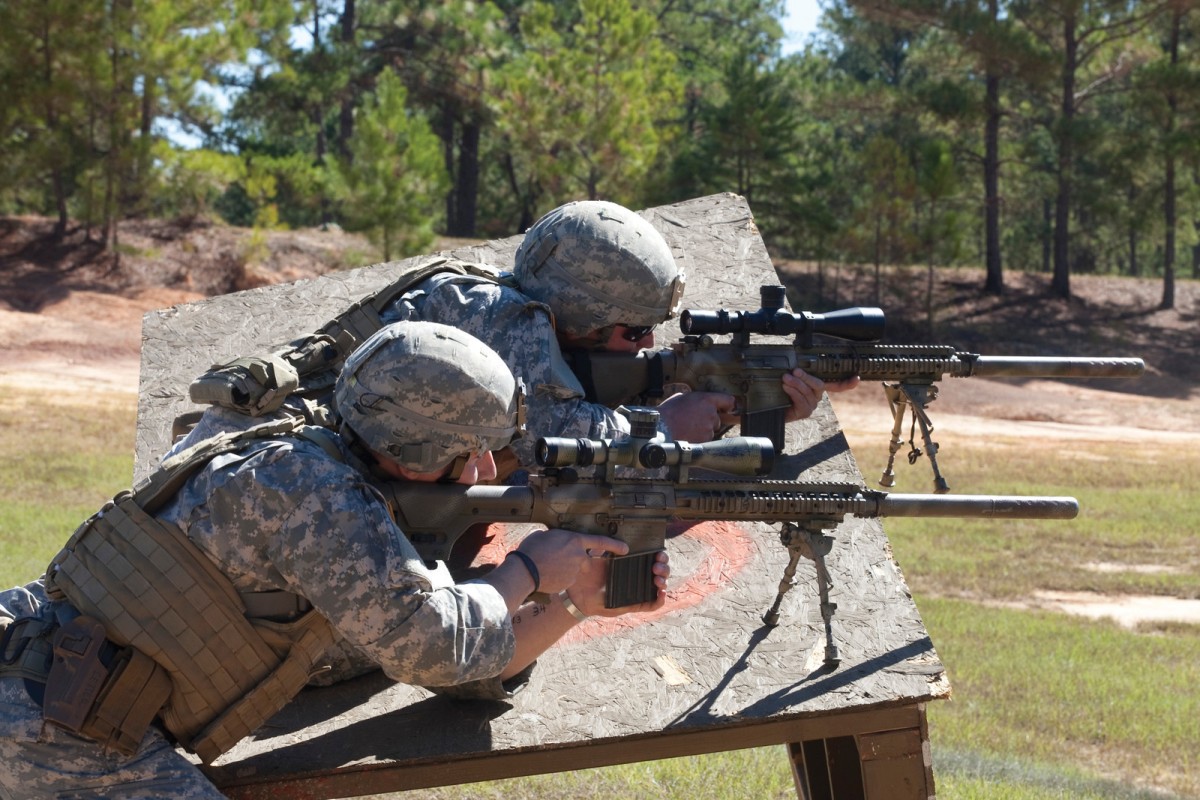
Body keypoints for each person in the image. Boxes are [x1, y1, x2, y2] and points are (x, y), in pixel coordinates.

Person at [0, 321, 669, 798]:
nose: (489, 469)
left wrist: (578, 600)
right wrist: (529, 570)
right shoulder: (318, 497)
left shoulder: (275, 430)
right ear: (412, 449)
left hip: (36, 667)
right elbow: (435, 647)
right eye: (472, 450)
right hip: (63, 732)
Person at [378, 199, 859, 470]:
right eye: (636, 331)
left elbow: (583, 397)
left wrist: (744, 401)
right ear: (578, 319)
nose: (648, 344)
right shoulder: (506, 328)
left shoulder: (517, 304)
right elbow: (565, 441)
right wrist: (669, 430)